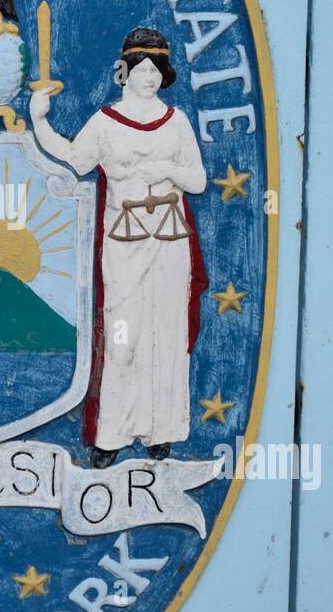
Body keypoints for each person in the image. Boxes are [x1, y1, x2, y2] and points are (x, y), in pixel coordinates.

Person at [30, 27, 207, 466]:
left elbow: (199, 180)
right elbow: (74, 158)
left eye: (156, 70)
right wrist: (38, 121)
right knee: (124, 335)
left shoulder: (177, 122)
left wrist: (167, 166)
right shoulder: (107, 122)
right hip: (123, 242)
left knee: (165, 334)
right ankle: (112, 433)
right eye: (141, 69)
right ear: (123, 73)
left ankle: (161, 430)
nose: (148, 78)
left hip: (169, 240)